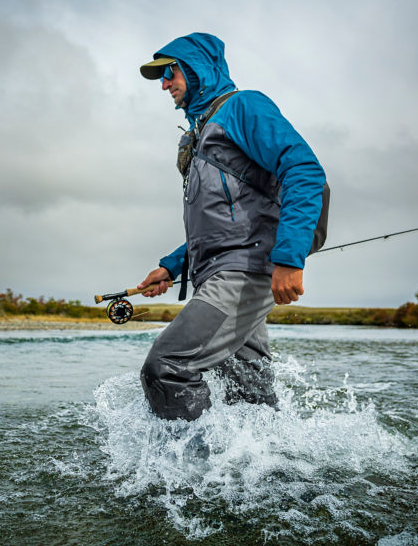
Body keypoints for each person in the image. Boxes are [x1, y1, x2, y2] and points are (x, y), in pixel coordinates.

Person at [137, 33, 328, 421]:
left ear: (195, 69)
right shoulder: (201, 133)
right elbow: (222, 223)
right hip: (221, 272)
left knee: (167, 367)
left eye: (169, 72)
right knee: (251, 398)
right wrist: (173, 265)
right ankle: (274, 469)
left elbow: (304, 171)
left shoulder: (242, 108)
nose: (164, 84)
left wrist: (290, 259)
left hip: (243, 272)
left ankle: (192, 478)